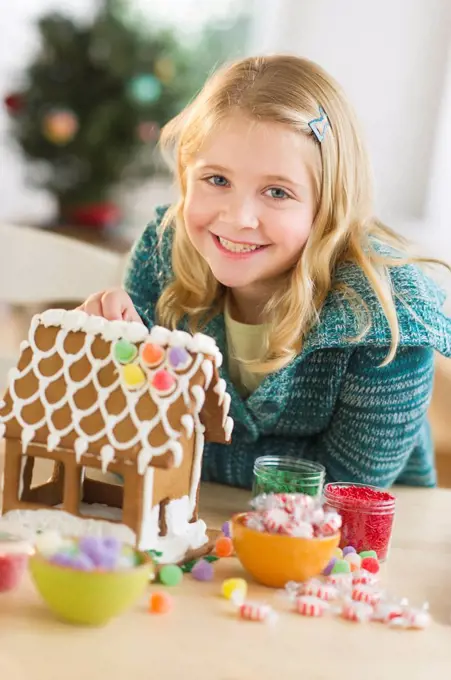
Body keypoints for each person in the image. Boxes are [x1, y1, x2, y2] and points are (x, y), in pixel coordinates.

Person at [78, 54, 451, 490]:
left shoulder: (386, 314)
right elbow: (131, 432)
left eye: (277, 191)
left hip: (365, 544)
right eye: (217, 180)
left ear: (329, 206)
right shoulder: (164, 253)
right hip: (202, 519)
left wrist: (186, 448)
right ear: (186, 174)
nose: (239, 218)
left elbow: (349, 483)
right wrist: (108, 360)